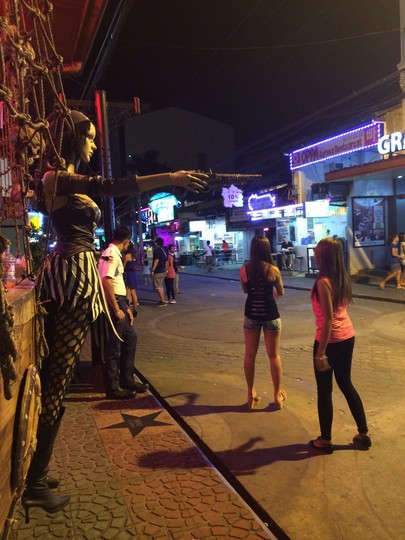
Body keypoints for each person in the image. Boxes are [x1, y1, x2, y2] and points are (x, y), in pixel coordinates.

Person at [22, 109, 208, 520]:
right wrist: (171, 177)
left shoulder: (63, 178)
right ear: (72, 137)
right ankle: (35, 482)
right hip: (71, 279)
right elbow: (108, 186)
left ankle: (38, 472)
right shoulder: (55, 178)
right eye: (88, 136)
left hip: (77, 276)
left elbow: (103, 188)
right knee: (56, 379)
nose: (93, 144)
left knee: (58, 376)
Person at [309, 237, 371, 453]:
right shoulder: (342, 278)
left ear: (324, 257)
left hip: (331, 340)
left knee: (325, 391)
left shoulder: (323, 283)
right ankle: (363, 434)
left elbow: (327, 319)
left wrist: (321, 352)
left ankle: (325, 440)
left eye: (317, 252)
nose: (314, 255)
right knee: (346, 383)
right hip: (347, 336)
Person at [98, 226, 148, 399]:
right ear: (126, 241)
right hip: (115, 303)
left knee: (130, 338)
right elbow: (106, 282)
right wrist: (117, 308)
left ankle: (127, 379)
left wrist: (125, 307)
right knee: (113, 347)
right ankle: (113, 388)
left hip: (120, 301)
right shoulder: (111, 254)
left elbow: (115, 283)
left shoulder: (112, 254)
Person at [239, 236, 287, 410]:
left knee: (249, 355)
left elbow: (246, 291)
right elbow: (280, 292)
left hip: (251, 314)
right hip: (270, 314)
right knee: (274, 356)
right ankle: (277, 395)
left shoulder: (244, 270)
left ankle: (250, 394)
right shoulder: (273, 270)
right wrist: (269, 295)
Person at [151, 237, 168, 306]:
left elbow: (156, 260)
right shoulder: (164, 250)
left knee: (158, 286)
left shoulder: (157, 250)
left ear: (156, 243)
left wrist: (153, 270)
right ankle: (163, 299)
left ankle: (162, 301)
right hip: (163, 269)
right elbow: (166, 261)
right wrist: (166, 269)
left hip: (158, 270)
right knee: (160, 285)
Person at [122, 241, 139, 311]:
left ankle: (127, 309)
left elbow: (122, 267)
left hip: (127, 274)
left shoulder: (127, 256)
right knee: (133, 292)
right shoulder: (134, 256)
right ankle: (135, 308)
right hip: (133, 274)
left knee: (128, 293)